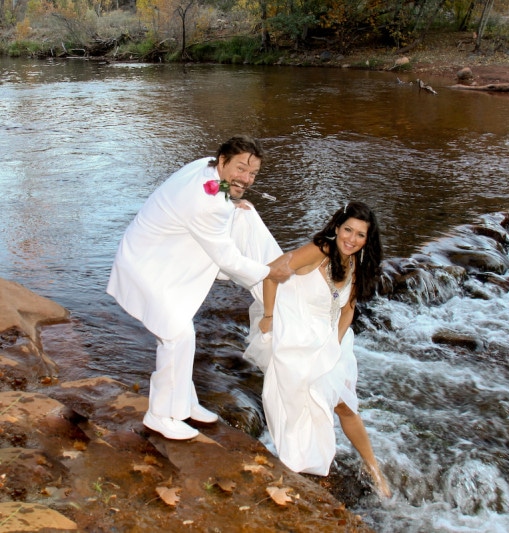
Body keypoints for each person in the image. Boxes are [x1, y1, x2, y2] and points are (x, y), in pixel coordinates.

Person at [107, 135, 290, 441]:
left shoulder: (203, 168)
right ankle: (160, 415)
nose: (246, 178)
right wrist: (269, 271)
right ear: (222, 161)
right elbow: (227, 258)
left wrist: (232, 200)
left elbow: (216, 197)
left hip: (159, 254)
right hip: (145, 265)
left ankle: (184, 402)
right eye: (241, 168)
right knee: (176, 335)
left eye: (253, 173)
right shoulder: (207, 204)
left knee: (182, 333)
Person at [244, 201, 391, 497]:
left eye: (360, 234)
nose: (352, 238)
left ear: (367, 239)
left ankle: (374, 469)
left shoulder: (357, 262)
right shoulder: (320, 249)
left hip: (327, 338)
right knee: (298, 404)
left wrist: (333, 345)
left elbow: (348, 308)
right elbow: (272, 272)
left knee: (344, 404)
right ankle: (292, 466)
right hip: (295, 333)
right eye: (347, 230)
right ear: (336, 228)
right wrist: (269, 316)